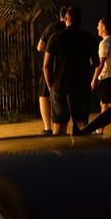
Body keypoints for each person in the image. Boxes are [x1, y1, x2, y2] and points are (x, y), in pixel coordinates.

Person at [44, 5, 97, 136]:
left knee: (59, 126)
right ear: (80, 20)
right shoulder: (88, 38)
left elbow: (46, 65)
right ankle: (80, 148)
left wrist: (50, 85)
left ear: (66, 18)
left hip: (60, 85)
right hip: (81, 85)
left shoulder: (55, 37)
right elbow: (96, 62)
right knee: (82, 125)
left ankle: (61, 148)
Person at [34, 7, 66, 135]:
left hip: (52, 66)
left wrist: (49, 50)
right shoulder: (73, 30)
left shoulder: (52, 28)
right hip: (67, 68)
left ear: (61, 16)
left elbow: (39, 47)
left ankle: (48, 128)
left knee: (44, 97)